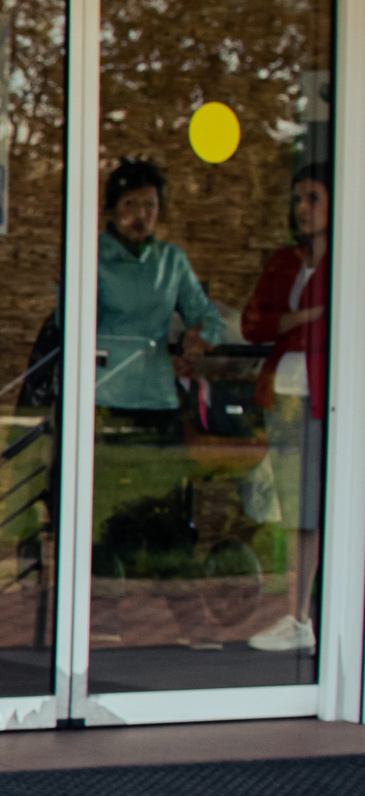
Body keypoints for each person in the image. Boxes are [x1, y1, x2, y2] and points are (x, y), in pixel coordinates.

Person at [243, 163, 332, 655]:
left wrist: (294, 322)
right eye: (297, 198)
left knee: (327, 507)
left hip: (330, 396)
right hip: (285, 395)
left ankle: (323, 614)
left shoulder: (349, 259)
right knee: (297, 510)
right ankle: (298, 618)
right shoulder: (284, 261)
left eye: (313, 198)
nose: (303, 208)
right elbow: (255, 324)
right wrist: (308, 316)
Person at [97, 157, 228, 433]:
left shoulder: (171, 261)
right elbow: (68, 326)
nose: (140, 214)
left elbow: (209, 319)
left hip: (157, 394)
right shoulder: (91, 256)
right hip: (103, 391)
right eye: (130, 204)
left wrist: (198, 338)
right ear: (111, 209)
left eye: (149, 206)